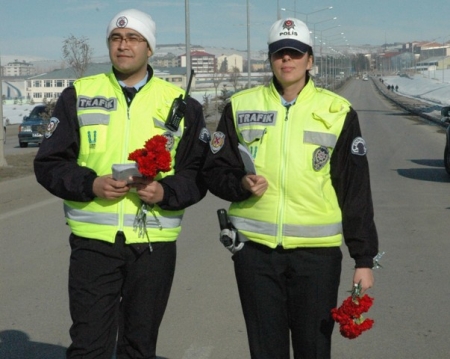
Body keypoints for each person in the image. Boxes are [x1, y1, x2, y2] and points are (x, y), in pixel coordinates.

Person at [34, 8, 209, 359]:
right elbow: (49, 163)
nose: (123, 45)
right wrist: (91, 184)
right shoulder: (78, 95)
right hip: (94, 244)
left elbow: (198, 173)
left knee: (138, 345)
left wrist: (165, 192)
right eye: (116, 38)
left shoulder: (181, 104)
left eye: (133, 39)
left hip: (153, 245)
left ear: (150, 48)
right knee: (88, 345)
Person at [202, 18, 379, 359]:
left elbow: (355, 190)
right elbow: (215, 171)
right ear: (270, 59)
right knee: (265, 350)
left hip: (317, 257)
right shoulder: (240, 107)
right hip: (254, 253)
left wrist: (364, 258)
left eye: (295, 53)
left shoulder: (337, 111)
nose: (287, 60)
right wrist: (240, 185)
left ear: (309, 60)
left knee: (313, 349)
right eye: (280, 53)